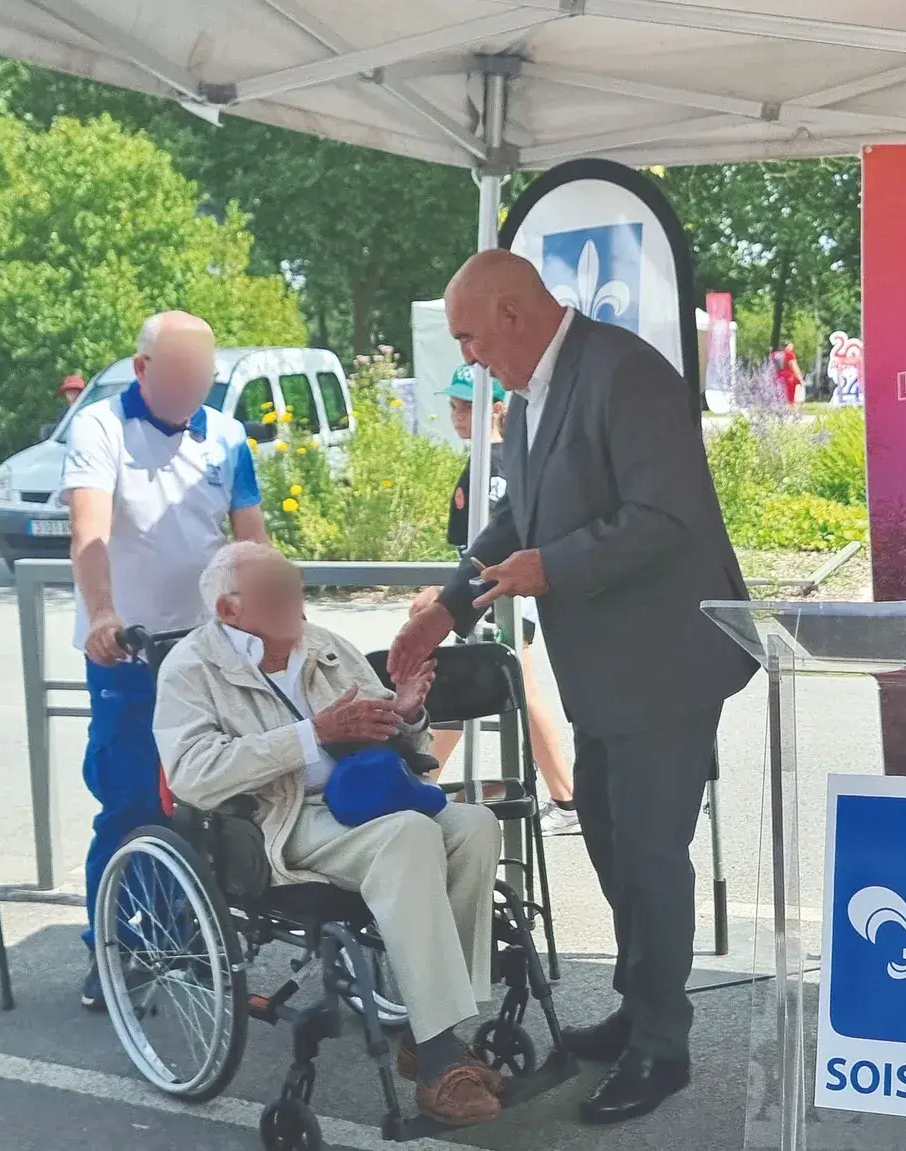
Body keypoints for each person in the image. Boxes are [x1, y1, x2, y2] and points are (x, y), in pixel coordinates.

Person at [389, 249, 755, 1125]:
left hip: (664, 664)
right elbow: (517, 518)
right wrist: (445, 608)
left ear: (513, 313)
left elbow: (664, 515)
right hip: (605, 671)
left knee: (651, 856)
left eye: (471, 336)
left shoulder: (626, 373)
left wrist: (552, 566)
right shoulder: (534, 393)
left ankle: (662, 1047)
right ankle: (641, 1007)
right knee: (609, 836)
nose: (468, 357)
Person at [156, 541, 505, 1125]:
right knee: (409, 835)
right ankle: (439, 1055)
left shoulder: (325, 646)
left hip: (364, 798)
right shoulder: (192, 669)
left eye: (294, 582)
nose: (295, 596)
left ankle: (433, 1030)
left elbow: (405, 745)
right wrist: (310, 735)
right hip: (277, 819)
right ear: (229, 609)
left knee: (473, 824)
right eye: (276, 590)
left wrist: (406, 715)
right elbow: (193, 774)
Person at [60, 311, 269, 1011]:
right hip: (128, 649)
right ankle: (114, 948)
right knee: (132, 802)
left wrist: (268, 611)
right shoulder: (100, 428)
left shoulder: (227, 435)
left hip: (208, 648)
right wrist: (102, 613)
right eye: (179, 375)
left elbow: (251, 539)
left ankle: (189, 938)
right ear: (143, 368)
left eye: (202, 377)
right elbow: (89, 531)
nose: (192, 388)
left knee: (208, 799)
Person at [408, 366, 579, 835]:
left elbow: (497, 541)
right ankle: (422, 784)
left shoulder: (499, 465)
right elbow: (467, 544)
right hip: (482, 591)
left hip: (500, 593)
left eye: (467, 407)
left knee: (515, 685)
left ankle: (566, 799)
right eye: (454, 406)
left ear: (497, 408)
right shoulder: (485, 462)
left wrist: (450, 595)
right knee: (466, 686)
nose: (457, 416)